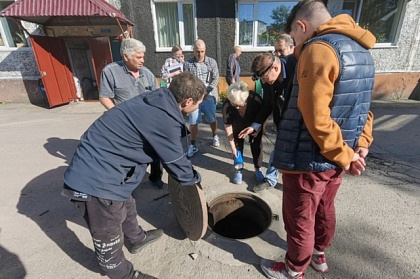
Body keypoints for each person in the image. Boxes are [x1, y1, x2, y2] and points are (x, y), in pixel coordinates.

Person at [259, 1, 375, 278]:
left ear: (301, 26)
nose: (295, 46)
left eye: (295, 38)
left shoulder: (318, 49)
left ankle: (294, 269)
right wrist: (360, 145)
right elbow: (364, 107)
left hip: (309, 158)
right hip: (338, 155)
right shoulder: (361, 50)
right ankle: (318, 257)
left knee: (300, 218)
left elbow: (315, 116)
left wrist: (347, 156)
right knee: (324, 209)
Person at [62, 72, 205, 279]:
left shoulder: (159, 99)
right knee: (107, 234)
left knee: (126, 203)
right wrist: (195, 179)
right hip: (95, 180)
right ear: (187, 101)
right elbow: (177, 165)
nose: (198, 108)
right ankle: (126, 275)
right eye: (198, 104)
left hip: (110, 166)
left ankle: (137, 239)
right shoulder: (164, 119)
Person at [98, 38, 163, 189]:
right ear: (126, 57)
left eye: (143, 56)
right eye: (139, 57)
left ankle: (155, 177)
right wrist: (118, 114)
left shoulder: (147, 74)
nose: (143, 60)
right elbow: (104, 97)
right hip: (124, 124)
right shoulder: (110, 71)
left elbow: (156, 97)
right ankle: (128, 184)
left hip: (147, 122)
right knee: (128, 155)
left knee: (154, 150)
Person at [238, 52, 296, 193]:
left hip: (301, 124)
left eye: (264, 78)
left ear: (275, 68)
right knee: (278, 151)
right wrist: (254, 126)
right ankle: (271, 179)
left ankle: (296, 185)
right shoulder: (269, 81)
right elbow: (267, 105)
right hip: (282, 124)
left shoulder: (297, 69)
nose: (263, 82)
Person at [222, 81, 264, 184]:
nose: (236, 108)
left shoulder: (255, 99)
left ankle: (258, 168)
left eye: (239, 105)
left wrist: (257, 129)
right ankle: (238, 169)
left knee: (256, 145)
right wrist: (232, 147)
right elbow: (228, 126)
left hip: (254, 123)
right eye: (234, 105)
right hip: (237, 125)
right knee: (237, 147)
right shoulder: (227, 105)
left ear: (245, 99)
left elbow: (263, 116)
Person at [184, 39, 220, 157]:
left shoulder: (211, 62)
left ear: (205, 51)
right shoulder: (188, 64)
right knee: (193, 121)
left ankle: (215, 135)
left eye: (202, 51)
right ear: (193, 50)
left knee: (211, 118)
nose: (200, 54)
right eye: (197, 51)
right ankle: (193, 145)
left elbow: (215, 79)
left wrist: (206, 92)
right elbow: (186, 80)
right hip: (194, 96)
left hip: (208, 95)